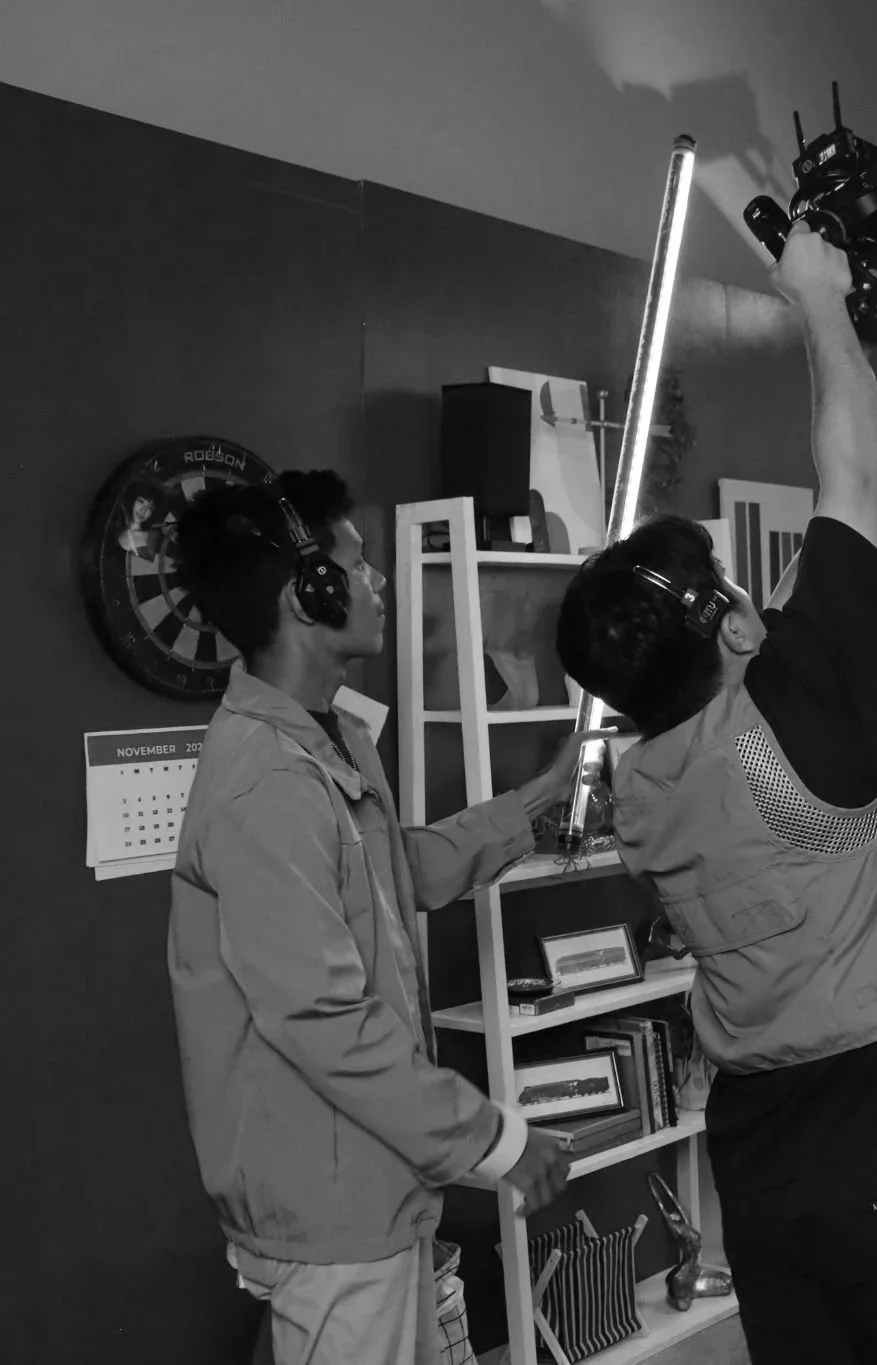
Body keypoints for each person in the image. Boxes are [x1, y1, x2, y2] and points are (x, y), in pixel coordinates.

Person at [554, 224, 877, 1365]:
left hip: (766, 1150)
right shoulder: (791, 728)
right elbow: (835, 493)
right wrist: (817, 301)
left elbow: (807, 590)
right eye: (735, 593)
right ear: (731, 626)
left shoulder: (647, 783)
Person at [169, 470, 591, 1365]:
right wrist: (498, 1139)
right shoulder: (269, 782)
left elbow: (398, 872)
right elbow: (324, 1020)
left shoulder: (333, 739)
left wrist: (539, 802)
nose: (379, 582)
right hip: (334, 1220)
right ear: (308, 592)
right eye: (360, 563)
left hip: (382, 1193)